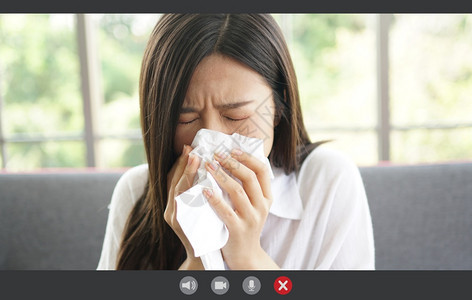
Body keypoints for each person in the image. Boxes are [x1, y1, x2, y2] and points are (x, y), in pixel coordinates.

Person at [97, 13, 375, 270]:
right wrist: (198, 257)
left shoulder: (328, 181)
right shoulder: (136, 192)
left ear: (278, 107)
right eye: (186, 119)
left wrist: (246, 256)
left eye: (234, 115)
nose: (212, 137)